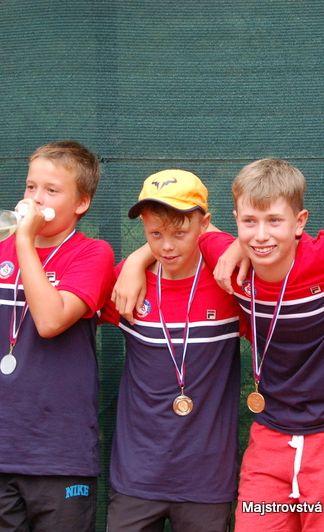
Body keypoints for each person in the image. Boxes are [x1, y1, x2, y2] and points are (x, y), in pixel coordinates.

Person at [112, 159, 324, 532]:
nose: (261, 235)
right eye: (250, 222)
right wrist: (135, 261)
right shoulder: (225, 256)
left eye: (274, 221)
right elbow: (186, 231)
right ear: (236, 220)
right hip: (271, 430)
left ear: (300, 222)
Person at [0, 140, 115, 532]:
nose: (36, 199)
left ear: (81, 203)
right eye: (30, 187)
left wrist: (24, 240)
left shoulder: (93, 253)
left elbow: (50, 321)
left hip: (62, 455)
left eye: (51, 190)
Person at [100, 170, 244, 532]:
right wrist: (135, 263)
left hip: (207, 482)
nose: (166, 246)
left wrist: (139, 257)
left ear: (204, 225)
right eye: (155, 234)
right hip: (135, 477)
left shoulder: (228, 281)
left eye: (180, 233)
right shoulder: (127, 282)